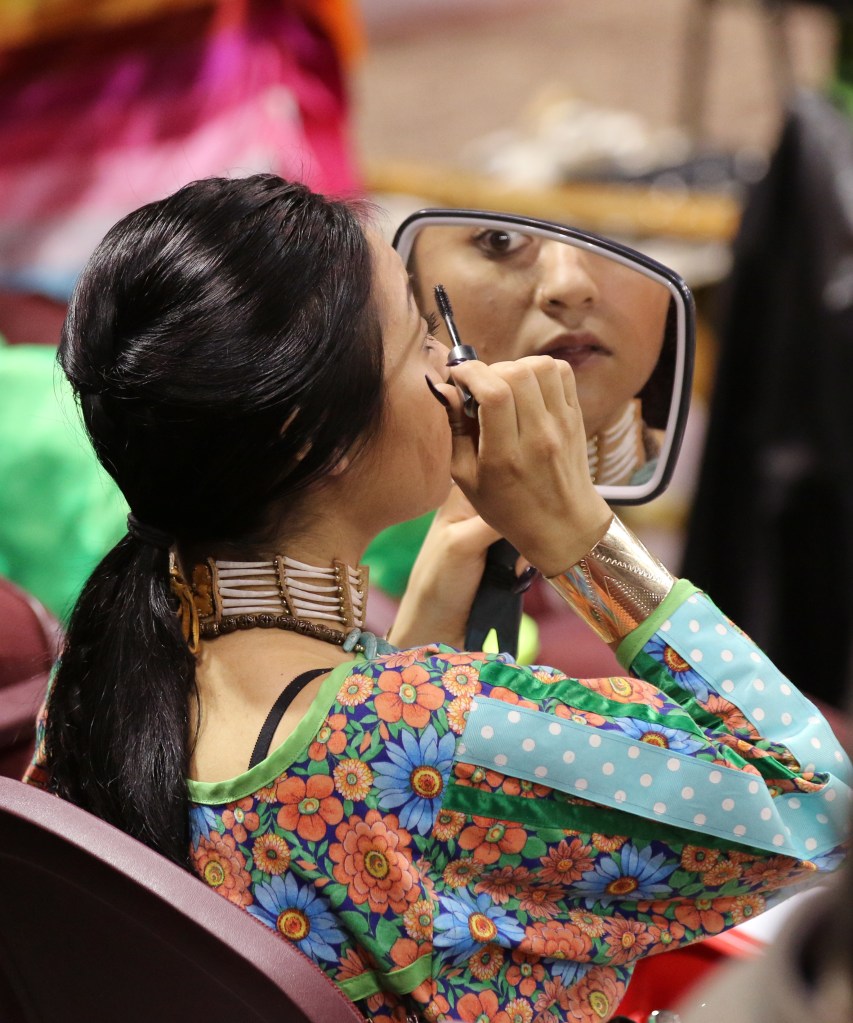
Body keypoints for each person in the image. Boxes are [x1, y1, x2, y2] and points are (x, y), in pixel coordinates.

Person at [24, 175, 850, 1023]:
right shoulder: (437, 730)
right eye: (421, 336)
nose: (459, 368)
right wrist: (580, 535)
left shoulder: (99, 676)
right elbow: (817, 809)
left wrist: (441, 576)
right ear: (309, 440)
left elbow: (370, 830)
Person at [409, 224, 671, 486]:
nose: (570, 287)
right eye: (501, 240)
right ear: (409, 290)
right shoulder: (395, 506)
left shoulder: (692, 483)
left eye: (613, 237)